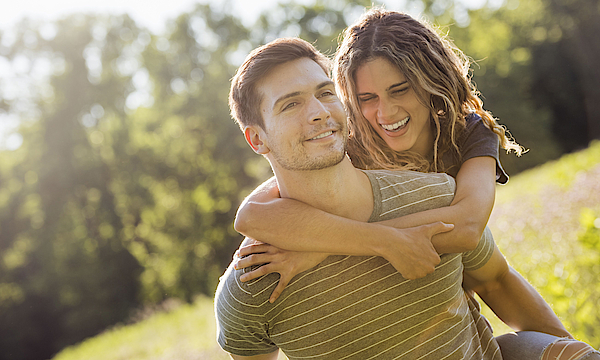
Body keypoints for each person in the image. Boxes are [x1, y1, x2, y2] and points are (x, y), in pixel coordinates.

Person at [228, 8, 600, 360]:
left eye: (400, 89)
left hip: (454, 278)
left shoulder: (465, 132)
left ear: (429, 82)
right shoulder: (344, 140)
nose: (385, 113)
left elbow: (469, 229)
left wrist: (321, 249)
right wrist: (376, 243)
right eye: (366, 99)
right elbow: (253, 215)